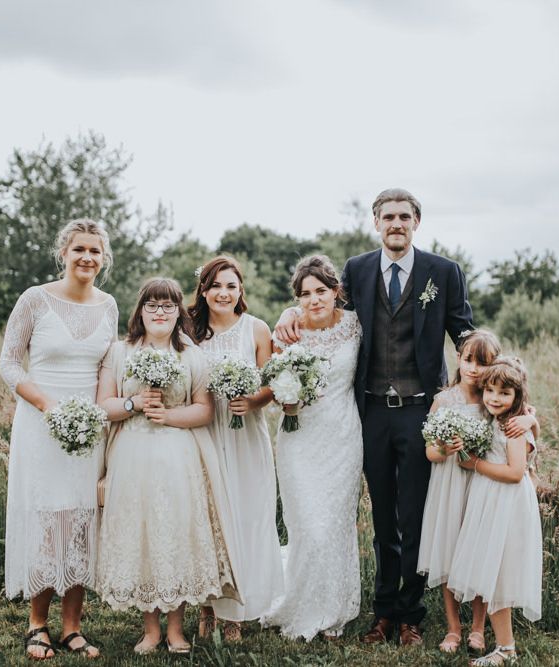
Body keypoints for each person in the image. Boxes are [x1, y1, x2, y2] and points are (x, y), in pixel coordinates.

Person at [275, 188, 473, 645]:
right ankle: (383, 614)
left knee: (415, 515)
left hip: (421, 409)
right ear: (376, 222)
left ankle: (410, 617)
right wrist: (291, 309)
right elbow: (327, 310)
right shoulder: (358, 269)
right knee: (383, 515)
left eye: (404, 216)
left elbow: (463, 331)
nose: (396, 224)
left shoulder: (443, 272)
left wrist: (499, 380)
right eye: (388, 217)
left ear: (416, 222)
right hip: (369, 414)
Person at [96, 277, 240, 655]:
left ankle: (176, 630)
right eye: (152, 305)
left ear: (179, 313)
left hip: (178, 456)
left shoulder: (191, 355)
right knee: (141, 535)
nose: (160, 312)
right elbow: (104, 406)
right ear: (140, 311)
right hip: (131, 455)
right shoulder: (119, 352)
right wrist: (135, 404)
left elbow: (204, 410)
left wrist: (168, 414)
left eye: (168, 306)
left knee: (174, 535)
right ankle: (151, 631)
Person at [0, 218, 118, 659]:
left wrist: (98, 415)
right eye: (79, 250)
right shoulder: (35, 299)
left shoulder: (109, 306)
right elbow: (9, 365)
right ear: (63, 253)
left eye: (95, 251)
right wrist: (49, 407)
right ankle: (37, 624)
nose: (87, 257)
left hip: (88, 431)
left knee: (81, 522)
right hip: (42, 424)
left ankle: (72, 627)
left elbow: (106, 368)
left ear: (103, 259)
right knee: (47, 521)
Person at [261, 255, 363, 640]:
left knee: (333, 526)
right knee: (306, 526)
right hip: (298, 437)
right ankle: (300, 604)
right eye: (304, 294)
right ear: (297, 299)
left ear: (336, 292)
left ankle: (331, 608)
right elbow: (273, 387)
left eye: (321, 291)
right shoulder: (287, 334)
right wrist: (286, 399)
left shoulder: (355, 326)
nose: (314, 299)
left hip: (342, 437)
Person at [418, 330, 538, 654]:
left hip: (486, 487)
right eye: (468, 359)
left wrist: (532, 424)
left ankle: (478, 627)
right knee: (449, 548)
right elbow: (429, 451)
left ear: (493, 364)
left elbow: (524, 417)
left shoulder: (493, 398)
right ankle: (453, 627)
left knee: (482, 552)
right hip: (451, 483)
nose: (473, 368)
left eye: (482, 362)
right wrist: (445, 448)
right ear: (458, 359)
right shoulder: (444, 400)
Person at [190, 256, 284, 641]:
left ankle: (237, 613)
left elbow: (275, 384)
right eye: (215, 286)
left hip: (245, 436)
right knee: (207, 521)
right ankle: (207, 607)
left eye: (231, 286)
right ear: (204, 290)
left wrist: (254, 401)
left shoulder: (257, 330)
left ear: (240, 290)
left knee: (246, 517)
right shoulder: (190, 332)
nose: (223, 293)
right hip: (206, 433)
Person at [448, 357, 542, 665]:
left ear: (517, 396)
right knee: (491, 573)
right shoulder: (496, 419)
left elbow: (516, 472)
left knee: (499, 575)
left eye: (504, 393)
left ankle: (506, 650)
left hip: (507, 504)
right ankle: (505, 646)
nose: (494, 398)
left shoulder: (513, 427)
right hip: (491, 500)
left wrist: (475, 464)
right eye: (489, 391)